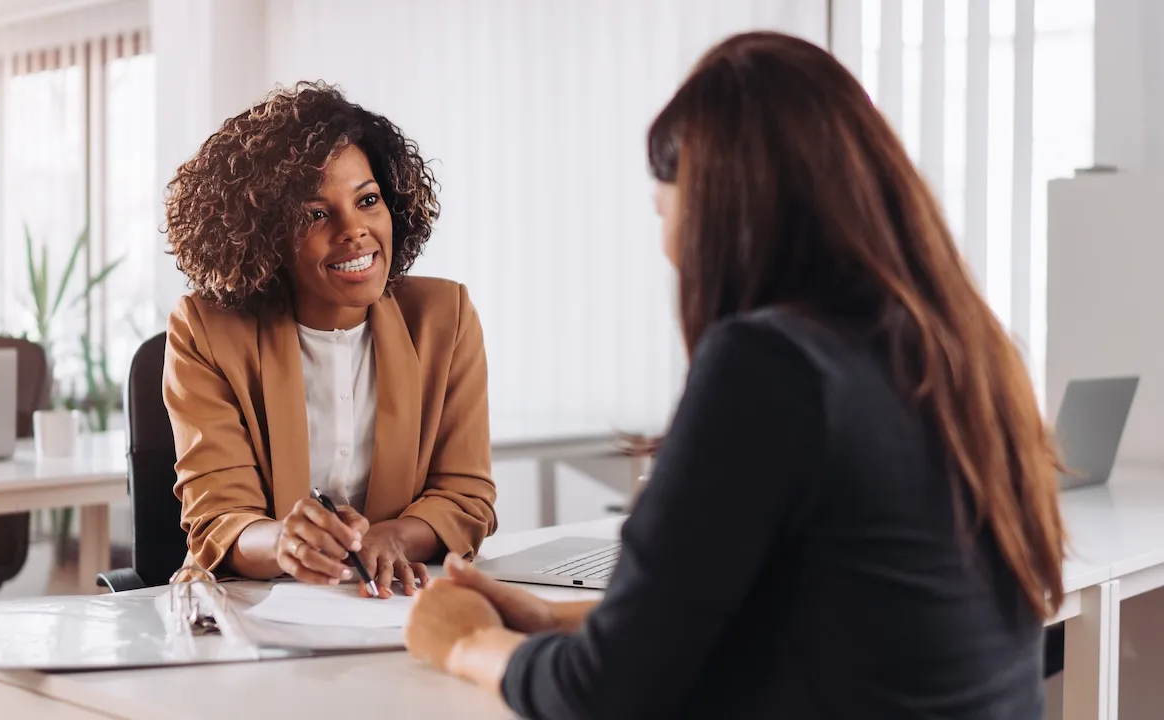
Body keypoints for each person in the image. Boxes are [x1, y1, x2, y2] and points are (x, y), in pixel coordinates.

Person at [404, 31, 1065, 718]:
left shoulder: (772, 367)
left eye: (664, 210)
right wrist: (549, 619)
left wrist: (467, 642)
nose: (668, 251)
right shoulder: (972, 352)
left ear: (719, 209)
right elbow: (811, 614)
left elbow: (605, 696)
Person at [162, 82, 496, 598]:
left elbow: (465, 496)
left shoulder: (443, 318)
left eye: (368, 200)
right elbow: (220, 517)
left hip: (392, 606)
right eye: (316, 214)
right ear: (267, 235)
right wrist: (283, 543)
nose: (355, 230)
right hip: (253, 611)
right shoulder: (205, 331)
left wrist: (393, 539)